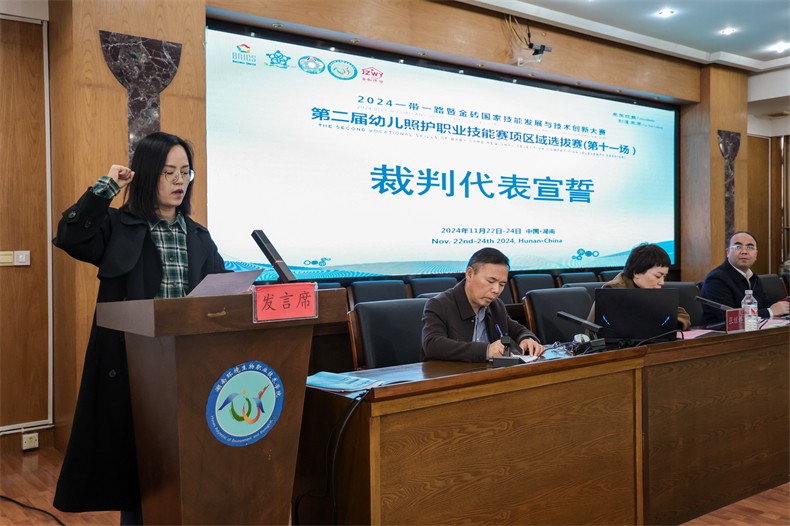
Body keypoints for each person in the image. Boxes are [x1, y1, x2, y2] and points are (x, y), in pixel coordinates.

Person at [52, 132, 228, 524]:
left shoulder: (198, 235)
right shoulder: (120, 226)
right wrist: (107, 187)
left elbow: (221, 293)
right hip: (135, 370)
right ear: (148, 175)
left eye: (185, 172)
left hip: (191, 368)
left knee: (186, 468)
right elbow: (70, 236)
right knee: (139, 475)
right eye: (169, 172)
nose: (180, 180)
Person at [421, 247, 544, 362]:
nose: (496, 290)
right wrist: (486, 350)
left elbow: (518, 330)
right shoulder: (439, 304)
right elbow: (432, 345)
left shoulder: (496, 306)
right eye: (491, 281)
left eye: (502, 284)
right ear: (469, 274)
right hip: (451, 375)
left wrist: (527, 339)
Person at [588, 243, 691, 330]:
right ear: (636, 272)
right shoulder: (612, 290)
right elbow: (596, 330)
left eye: (664, 276)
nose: (662, 282)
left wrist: (671, 324)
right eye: (657, 276)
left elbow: (681, 315)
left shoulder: (652, 289)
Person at [700, 231, 789, 325]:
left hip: (753, 330)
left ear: (756, 254)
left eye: (750, 247)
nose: (744, 252)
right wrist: (770, 312)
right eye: (738, 247)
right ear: (728, 252)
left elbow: (766, 306)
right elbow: (730, 318)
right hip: (720, 333)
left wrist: (782, 309)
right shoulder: (716, 279)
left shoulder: (753, 278)